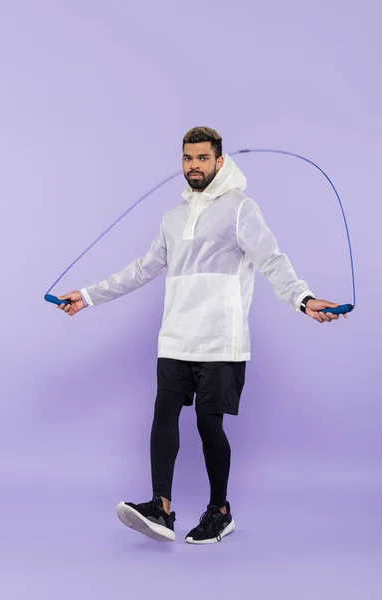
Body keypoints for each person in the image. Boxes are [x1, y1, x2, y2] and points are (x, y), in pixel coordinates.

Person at [56, 126, 348, 545]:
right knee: (163, 417)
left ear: (220, 161)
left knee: (209, 425)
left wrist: (304, 299)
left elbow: (272, 261)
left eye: (202, 158)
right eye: (187, 159)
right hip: (176, 335)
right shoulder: (172, 218)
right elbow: (142, 269)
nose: (193, 166)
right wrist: (86, 296)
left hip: (220, 338)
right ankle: (161, 508)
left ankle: (220, 511)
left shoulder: (241, 208)